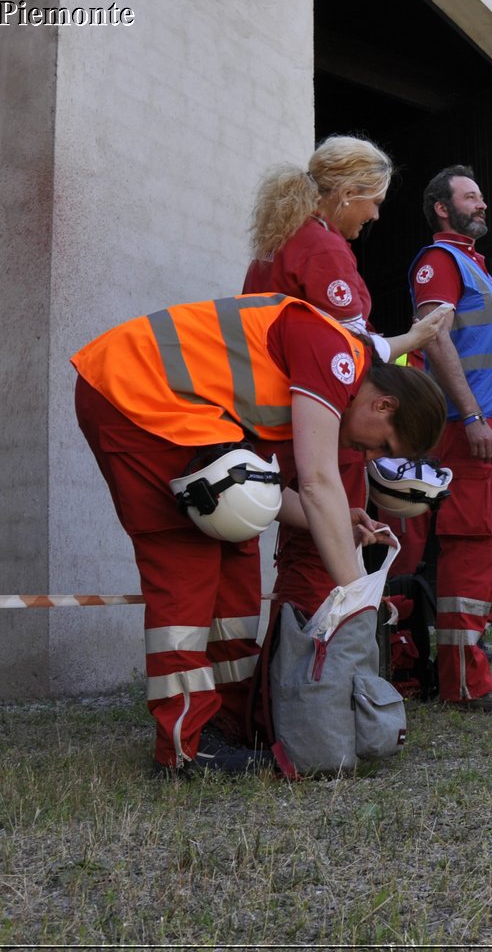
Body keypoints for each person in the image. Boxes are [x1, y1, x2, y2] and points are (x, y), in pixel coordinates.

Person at [72, 293, 450, 775]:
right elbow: (316, 482)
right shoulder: (334, 360)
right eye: (383, 443)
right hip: (133, 395)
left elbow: (277, 497)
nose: (370, 455)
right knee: (185, 567)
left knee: (237, 562)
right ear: (383, 404)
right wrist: (356, 597)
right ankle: (185, 748)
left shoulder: (343, 364)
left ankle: (232, 726)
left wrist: (338, 518)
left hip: (174, 410)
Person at [242, 135, 410, 634]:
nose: (376, 216)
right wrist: (416, 337)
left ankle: (287, 687)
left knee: (304, 551)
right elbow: (351, 351)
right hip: (322, 421)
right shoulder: (320, 248)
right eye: (374, 202)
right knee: (318, 555)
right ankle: (319, 679)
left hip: (284, 420)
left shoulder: (281, 242)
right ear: (345, 193)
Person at [409, 165, 492, 711]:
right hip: (468, 427)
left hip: (491, 423)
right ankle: (463, 682)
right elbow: (435, 341)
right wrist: (474, 415)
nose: (482, 205)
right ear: (442, 208)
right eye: (471, 197)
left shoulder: (476, 267)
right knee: (470, 544)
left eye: (482, 196)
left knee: (488, 548)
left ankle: (467, 668)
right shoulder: (440, 261)